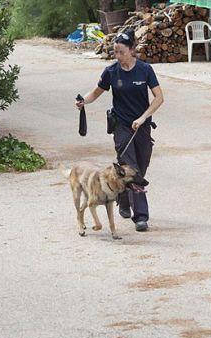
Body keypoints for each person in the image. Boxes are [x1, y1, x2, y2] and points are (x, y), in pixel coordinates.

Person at [76, 31, 164, 232]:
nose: (117, 56)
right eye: (115, 52)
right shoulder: (111, 72)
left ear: (132, 50)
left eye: (121, 52)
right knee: (133, 168)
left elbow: (159, 98)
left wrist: (143, 117)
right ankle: (141, 217)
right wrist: (83, 102)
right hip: (122, 127)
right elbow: (95, 92)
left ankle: (123, 198)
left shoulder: (145, 70)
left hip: (141, 126)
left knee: (141, 166)